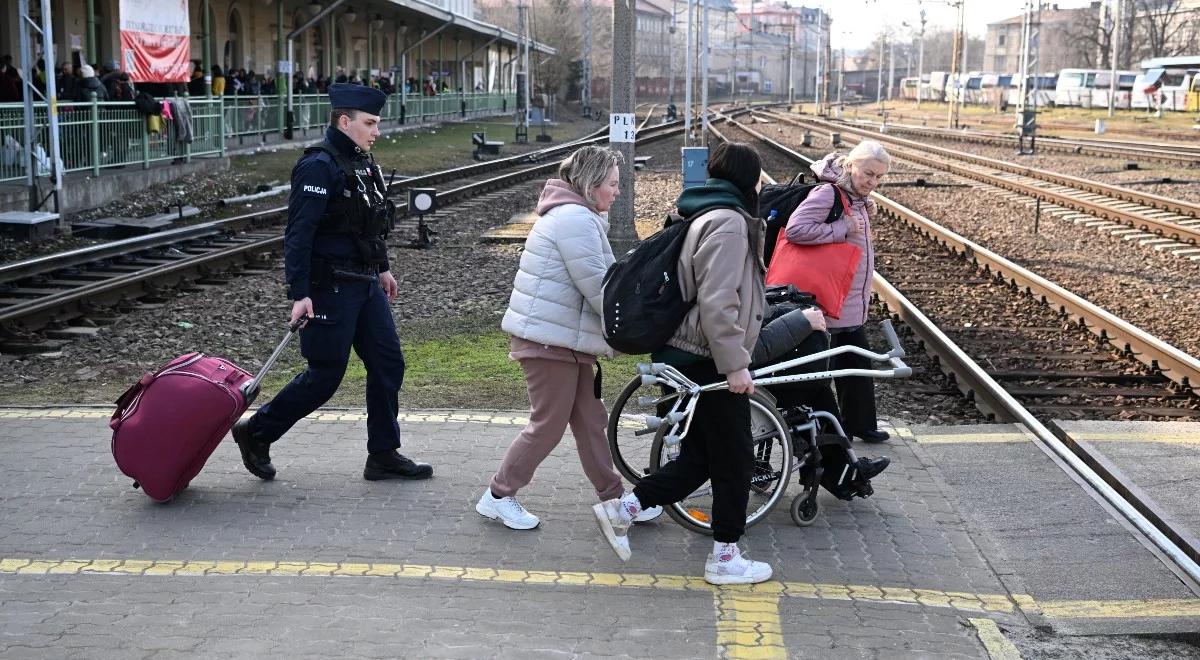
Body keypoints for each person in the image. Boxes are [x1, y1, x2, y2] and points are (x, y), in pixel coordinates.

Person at [231, 83, 432, 483]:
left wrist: (384, 267)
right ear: (345, 121)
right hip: (330, 287)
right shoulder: (318, 166)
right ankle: (256, 431)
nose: (377, 131)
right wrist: (300, 293)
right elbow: (299, 234)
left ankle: (383, 454)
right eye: (370, 123)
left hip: (365, 283)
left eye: (377, 123)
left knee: (388, 364)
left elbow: (372, 222)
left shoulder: (363, 163)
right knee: (325, 375)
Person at [593, 142, 774, 585]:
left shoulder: (701, 211)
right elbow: (718, 301)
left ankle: (626, 508)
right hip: (705, 358)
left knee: (700, 456)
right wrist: (734, 366)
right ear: (747, 180)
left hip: (687, 352)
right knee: (735, 459)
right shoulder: (729, 224)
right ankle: (725, 557)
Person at [475, 146, 662, 530]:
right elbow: (600, 289)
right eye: (613, 184)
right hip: (548, 343)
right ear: (591, 185)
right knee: (548, 424)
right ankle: (497, 495)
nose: (617, 192)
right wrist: (640, 325)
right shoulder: (575, 219)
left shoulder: (577, 216)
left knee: (591, 421)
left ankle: (614, 501)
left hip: (565, 343)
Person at [783, 140, 891, 443]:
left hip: (848, 298)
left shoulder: (855, 197)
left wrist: (861, 212)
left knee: (856, 362)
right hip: (828, 297)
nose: (873, 182)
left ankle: (860, 424)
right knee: (822, 371)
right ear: (850, 166)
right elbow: (796, 230)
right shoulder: (827, 193)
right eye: (868, 174)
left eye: (879, 177)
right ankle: (817, 432)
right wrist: (842, 227)